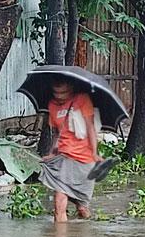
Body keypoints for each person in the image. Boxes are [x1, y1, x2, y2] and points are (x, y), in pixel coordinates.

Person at [39, 77, 103, 223]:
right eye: (56, 93)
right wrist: (51, 153)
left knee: (82, 208)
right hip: (64, 158)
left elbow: (90, 127)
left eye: (62, 93)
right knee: (59, 202)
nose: (59, 96)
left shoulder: (82, 99)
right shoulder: (52, 105)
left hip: (84, 158)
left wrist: (94, 152)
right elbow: (57, 133)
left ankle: (85, 229)